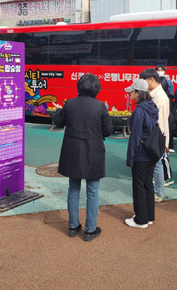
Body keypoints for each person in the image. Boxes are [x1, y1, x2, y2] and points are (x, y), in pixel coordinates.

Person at [54, 73, 113, 242]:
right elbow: (108, 130)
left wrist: (58, 110)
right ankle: (90, 230)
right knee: (92, 190)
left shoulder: (70, 103)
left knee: (73, 188)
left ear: (79, 86)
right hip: (93, 152)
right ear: (96, 89)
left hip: (73, 151)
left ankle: (73, 226)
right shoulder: (101, 106)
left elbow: (59, 122)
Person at [124, 78, 159, 229]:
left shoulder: (139, 110)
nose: (130, 94)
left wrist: (130, 157)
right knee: (147, 184)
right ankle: (149, 216)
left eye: (132, 91)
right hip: (152, 151)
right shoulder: (152, 106)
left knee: (138, 185)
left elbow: (135, 137)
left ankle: (141, 220)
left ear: (138, 93)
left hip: (141, 153)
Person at [140, 68, 170, 203]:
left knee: (157, 164)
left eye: (144, 81)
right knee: (155, 164)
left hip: (157, 135)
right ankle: (156, 191)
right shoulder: (154, 94)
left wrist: (159, 139)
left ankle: (158, 193)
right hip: (155, 135)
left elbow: (160, 120)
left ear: (151, 79)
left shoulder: (160, 96)